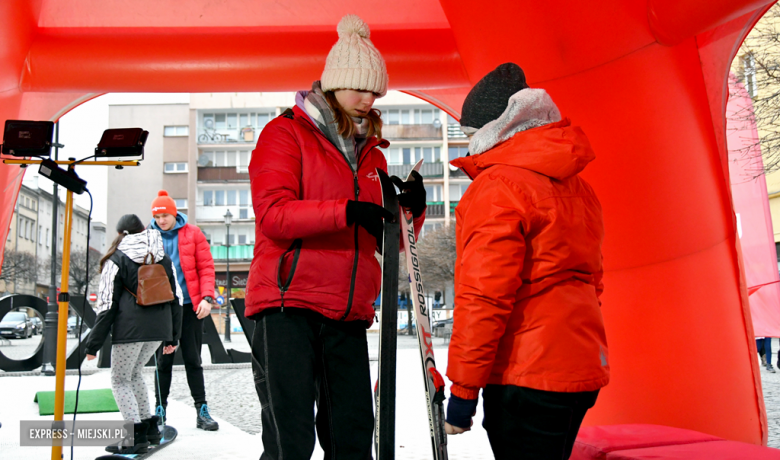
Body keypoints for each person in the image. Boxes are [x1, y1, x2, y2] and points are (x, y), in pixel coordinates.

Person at [245, 14, 426, 460]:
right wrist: (347, 210)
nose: (368, 99)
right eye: (360, 88)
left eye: (376, 92)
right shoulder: (284, 134)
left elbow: (392, 244)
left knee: (352, 437)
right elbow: (274, 215)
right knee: (291, 440)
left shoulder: (372, 158)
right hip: (288, 303)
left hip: (347, 311)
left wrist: (412, 211)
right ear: (333, 84)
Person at [445, 63, 610, 460]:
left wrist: (464, 390)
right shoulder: (578, 185)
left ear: (492, 131)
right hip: (579, 366)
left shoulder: (498, 187)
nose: (469, 149)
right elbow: (595, 281)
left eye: (470, 136)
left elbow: (484, 296)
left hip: (526, 371)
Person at [85, 214, 182, 455]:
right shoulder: (163, 257)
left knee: (119, 380)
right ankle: (149, 429)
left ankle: (133, 436)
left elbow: (107, 304)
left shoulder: (116, 259)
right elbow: (176, 299)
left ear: (121, 234)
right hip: (159, 329)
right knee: (135, 374)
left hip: (130, 330)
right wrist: (172, 337)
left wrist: (92, 344)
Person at [149, 190, 219, 431]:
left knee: (193, 359)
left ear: (174, 213)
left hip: (190, 306)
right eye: (157, 217)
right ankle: (160, 411)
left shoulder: (193, 234)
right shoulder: (148, 237)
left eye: (165, 216)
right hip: (161, 308)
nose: (161, 221)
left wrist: (207, 298)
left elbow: (207, 268)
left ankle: (202, 411)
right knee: (163, 361)